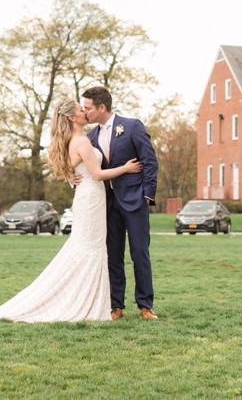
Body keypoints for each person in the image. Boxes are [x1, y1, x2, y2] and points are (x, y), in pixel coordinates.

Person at [0, 99, 141, 323]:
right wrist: (126, 168)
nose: (85, 113)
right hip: (91, 198)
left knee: (88, 247)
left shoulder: (73, 141)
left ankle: (90, 299)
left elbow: (68, 168)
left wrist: (70, 175)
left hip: (87, 198)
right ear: (71, 117)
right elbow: (97, 174)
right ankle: (85, 302)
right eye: (81, 110)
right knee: (90, 248)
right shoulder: (82, 142)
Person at [81, 86, 159, 321]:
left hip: (135, 201)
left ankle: (145, 305)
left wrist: (147, 195)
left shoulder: (132, 126)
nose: (85, 113)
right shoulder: (91, 136)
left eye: (88, 108)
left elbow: (150, 161)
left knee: (139, 253)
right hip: (107, 204)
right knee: (113, 256)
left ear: (101, 107)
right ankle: (116, 305)